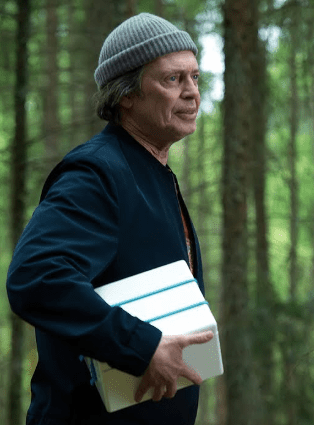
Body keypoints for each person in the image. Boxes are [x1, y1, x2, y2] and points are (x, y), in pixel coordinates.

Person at [6, 13, 213, 425]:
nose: (192, 92)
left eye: (194, 77)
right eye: (172, 79)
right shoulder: (97, 174)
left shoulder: (152, 172)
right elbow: (36, 276)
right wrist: (142, 347)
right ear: (127, 94)